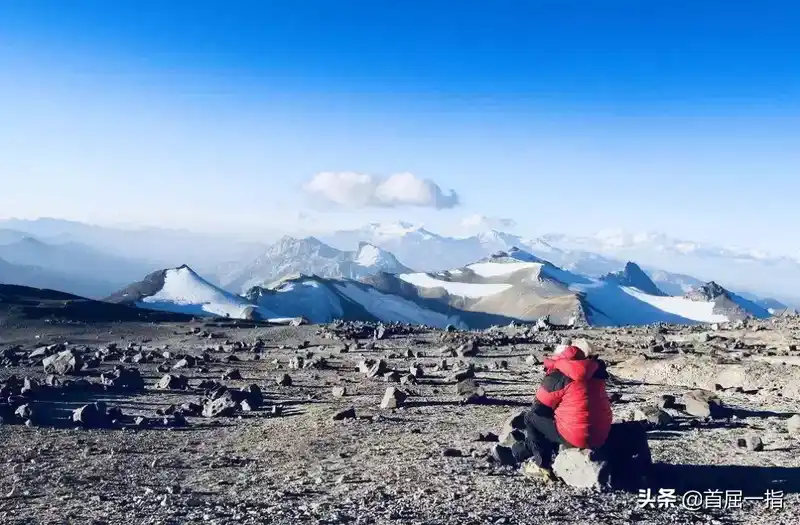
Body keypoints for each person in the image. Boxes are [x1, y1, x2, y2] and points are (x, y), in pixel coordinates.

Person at [493, 343, 613, 480]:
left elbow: (538, 406)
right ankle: (518, 451)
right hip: (602, 433)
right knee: (556, 424)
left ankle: (541, 465)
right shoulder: (595, 373)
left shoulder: (559, 376)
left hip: (578, 435)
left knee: (532, 418)